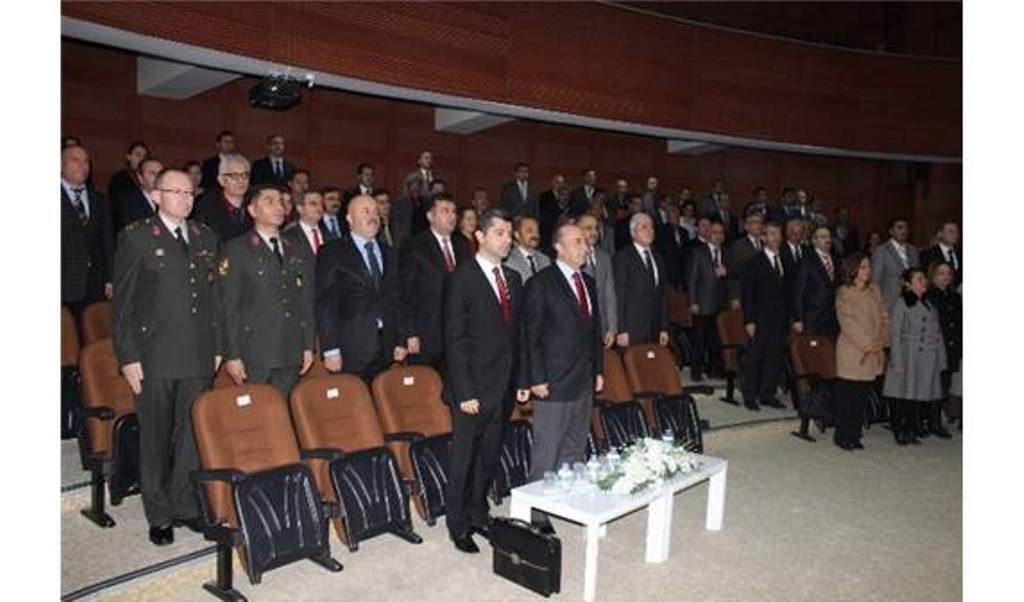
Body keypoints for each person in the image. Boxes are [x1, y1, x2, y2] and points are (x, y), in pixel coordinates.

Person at [111, 168, 223, 545]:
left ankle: (184, 504)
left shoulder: (206, 236)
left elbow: (215, 299)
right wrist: (128, 356)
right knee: (156, 437)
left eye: (190, 193)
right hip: (154, 354)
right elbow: (123, 305)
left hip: (198, 352)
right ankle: (158, 514)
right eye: (176, 192)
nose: (185, 199)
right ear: (157, 195)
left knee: (191, 434)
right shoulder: (136, 236)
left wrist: (218, 346)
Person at [443, 209, 528, 554]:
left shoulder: (513, 278)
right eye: (500, 233)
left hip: (503, 386)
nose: (507, 240)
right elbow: (455, 338)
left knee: (489, 457)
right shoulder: (461, 277)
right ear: (480, 236)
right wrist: (464, 391)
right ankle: (457, 524)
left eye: (510, 233)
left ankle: (478, 514)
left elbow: (518, 336)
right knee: (464, 460)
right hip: (472, 390)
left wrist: (521, 379)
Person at [522, 223, 604, 534]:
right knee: (547, 450)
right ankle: (536, 512)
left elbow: (594, 332)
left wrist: (598, 370)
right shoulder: (541, 283)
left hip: (583, 379)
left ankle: (567, 498)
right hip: (552, 381)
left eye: (585, 241)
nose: (585, 247)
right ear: (559, 247)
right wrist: (536, 378)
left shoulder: (589, 282)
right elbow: (530, 336)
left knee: (574, 445)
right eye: (578, 241)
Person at [220, 184, 314, 398]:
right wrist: (232, 355)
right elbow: (229, 305)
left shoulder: (296, 248)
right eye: (269, 201)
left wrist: (308, 344)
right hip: (255, 352)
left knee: (284, 411)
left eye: (280, 201)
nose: (278, 207)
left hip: (290, 348)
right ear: (252, 210)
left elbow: (305, 300)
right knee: (255, 412)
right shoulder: (236, 249)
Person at [315, 195, 407, 382]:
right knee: (354, 399)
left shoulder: (390, 252)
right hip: (351, 347)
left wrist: (401, 339)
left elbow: (397, 299)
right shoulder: (332, 252)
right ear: (349, 219)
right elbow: (326, 303)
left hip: (387, 346)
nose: (373, 216)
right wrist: (330, 348)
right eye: (366, 211)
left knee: (382, 397)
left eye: (375, 212)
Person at [400, 193, 471, 370]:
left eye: (454, 211)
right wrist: (410, 332)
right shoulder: (414, 245)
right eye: (445, 211)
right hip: (426, 334)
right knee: (425, 383)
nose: (452, 216)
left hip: (458, 334)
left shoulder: (462, 245)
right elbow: (405, 292)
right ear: (430, 216)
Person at [883, 267, 948, 445]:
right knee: (903, 395)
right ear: (908, 284)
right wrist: (896, 360)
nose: (923, 282)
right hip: (908, 354)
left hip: (927, 356)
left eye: (924, 279)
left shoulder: (929, 304)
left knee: (917, 395)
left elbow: (937, 332)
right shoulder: (902, 303)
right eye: (919, 279)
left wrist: (941, 358)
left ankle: (912, 429)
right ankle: (900, 430)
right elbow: (895, 333)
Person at [834, 253, 889, 450]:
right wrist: (869, 344)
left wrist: (881, 341)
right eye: (863, 267)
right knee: (849, 396)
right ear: (853, 269)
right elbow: (848, 324)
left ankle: (855, 434)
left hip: (873, 351)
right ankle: (843, 435)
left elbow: (884, 318)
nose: (868, 271)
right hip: (853, 351)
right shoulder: (844, 292)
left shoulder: (875, 290)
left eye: (869, 267)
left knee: (861, 397)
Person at [740, 221, 789, 411]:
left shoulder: (785, 260)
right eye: (772, 234)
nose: (776, 238)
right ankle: (750, 395)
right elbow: (748, 294)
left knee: (774, 357)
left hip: (780, 319)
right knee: (755, 357)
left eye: (778, 234)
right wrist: (749, 320)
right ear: (763, 238)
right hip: (759, 319)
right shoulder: (754, 262)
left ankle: (767, 394)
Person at [61, 144, 114, 318]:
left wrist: (110, 279)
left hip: (95, 287)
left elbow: (107, 242)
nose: (82, 165)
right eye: (75, 160)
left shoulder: (100, 200)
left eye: (86, 161)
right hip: (64, 286)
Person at [613, 212, 669, 348]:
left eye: (652, 227)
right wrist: (621, 329)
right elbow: (620, 295)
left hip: (654, 327)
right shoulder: (623, 257)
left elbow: (662, 295)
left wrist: (664, 327)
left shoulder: (658, 258)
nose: (650, 231)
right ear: (633, 233)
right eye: (644, 227)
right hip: (632, 328)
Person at [687, 221, 728, 381]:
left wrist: (727, 272)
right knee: (700, 339)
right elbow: (692, 279)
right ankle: (696, 372)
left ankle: (714, 370)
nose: (718, 236)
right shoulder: (698, 252)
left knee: (716, 339)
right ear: (708, 234)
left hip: (720, 303)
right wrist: (693, 302)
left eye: (721, 233)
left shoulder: (725, 252)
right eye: (715, 232)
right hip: (703, 303)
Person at [925, 261, 960, 436]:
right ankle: (932, 421)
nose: (945, 277)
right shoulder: (929, 296)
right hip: (935, 347)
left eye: (948, 273)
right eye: (941, 273)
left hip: (952, 347)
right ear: (932, 276)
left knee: (944, 386)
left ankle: (936, 421)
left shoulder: (955, 296)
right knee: (933, 386)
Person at [578, 214, 618, 348]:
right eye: (588, 228)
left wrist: (612, 327)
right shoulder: (572, 257)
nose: (594, 232)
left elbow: (609, 295)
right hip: (579, 330)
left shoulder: (604, 257)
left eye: (596, 228)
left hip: (602, 328)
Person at [792, 226, 840, 338]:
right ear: (814, 241)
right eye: (823, 237)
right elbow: (799, 292)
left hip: (834, 317)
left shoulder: (836, 259)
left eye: (829, 237)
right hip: (814, 318)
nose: (827, 240)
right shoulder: (806, 261)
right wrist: (798, 318)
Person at [191, 154, 252, 241]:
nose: (241, 180)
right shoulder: (206, 206)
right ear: (221, 180)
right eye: (234, 176)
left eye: (245, 175)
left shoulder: (256, 204)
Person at [871, 218, 919, 309]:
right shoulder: (882, 250)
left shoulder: (913, 250)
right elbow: (875, 281)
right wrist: (878, 305)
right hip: (890, 303)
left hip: (912, 302)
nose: (904, 231)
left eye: (906, 228)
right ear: (891, 231)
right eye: (900, 227)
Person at [725, 210, 765, 307]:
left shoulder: (766, 244)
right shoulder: (737, 246)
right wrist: (734, 296)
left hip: (764, 294)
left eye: (761, 222)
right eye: (755, 222)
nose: (759, 225)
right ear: (746, 227)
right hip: (745, 294)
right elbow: (732, 273)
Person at [114, 157, 162, 232]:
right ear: (140, 178)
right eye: (153, 173)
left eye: (161, 173)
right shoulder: (127, 202)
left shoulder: (170, 199)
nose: (158, 177)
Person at [504, 215, 551, 283]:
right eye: (529, 231)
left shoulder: (545, 260)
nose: (535, 235)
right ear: (517, 235)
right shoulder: (508, 260)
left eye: (537, 231)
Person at [919, 221, 961, 287]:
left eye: (957, 232)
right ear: (940, 234)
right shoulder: (928, 254)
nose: (955, 235)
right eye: (951, 231)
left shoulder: (961, 254)